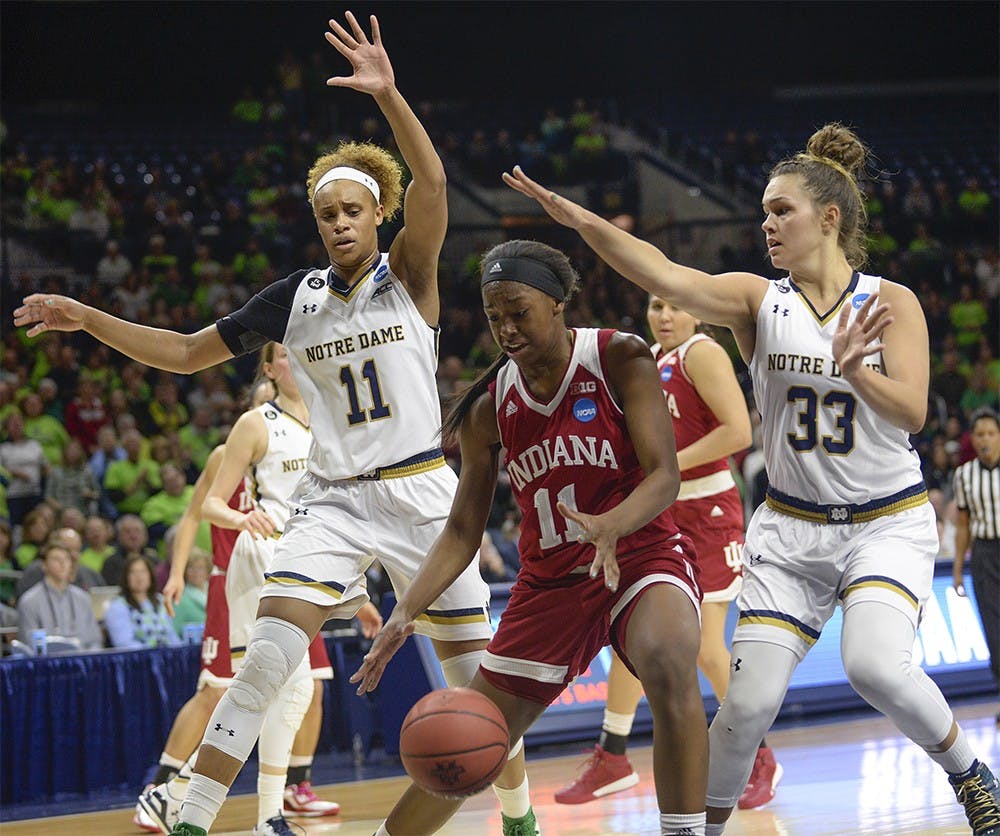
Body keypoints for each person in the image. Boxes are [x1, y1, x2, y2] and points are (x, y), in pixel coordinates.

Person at [15, 14, 538, 836]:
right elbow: (189, 354)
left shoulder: (409, 275)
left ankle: (518, 818)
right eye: (326, 211)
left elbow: (432, 188)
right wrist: (90, 316)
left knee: (476, 679)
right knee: (263, 661)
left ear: (376, 216)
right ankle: (190, 816)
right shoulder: (291, 299)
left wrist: (390, 95)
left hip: (418, 492)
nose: (338, 222)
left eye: (352, 210)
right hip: (331, 500)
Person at [502, 122, 1000, 834]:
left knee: (874, 667)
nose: (765, 223)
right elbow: (661, 273)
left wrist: (856, 369)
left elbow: (914, 410)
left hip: (885, 522)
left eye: (781, 211)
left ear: (829, 218)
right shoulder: (756, 301)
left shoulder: (893, 301)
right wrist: (580, 221)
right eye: (763, 211)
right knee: (742, 709)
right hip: (792, 531)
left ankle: (969, 775)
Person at [351, 239, 707, 836]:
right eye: (495, 318)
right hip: (550, 586)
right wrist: (404, 612)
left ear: (559, 303)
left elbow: (665, 476)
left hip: (638, 559)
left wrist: (613, 525)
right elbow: (464, 529)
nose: (507, 329)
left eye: (519, 311)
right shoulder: (490, 409)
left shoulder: (619, 357)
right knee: (464, 744)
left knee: (670, 663)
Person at [554, 296, 779, 811]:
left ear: (697, 314)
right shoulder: (650, 356)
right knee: (635, 631)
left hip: (708, 511)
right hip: (662, 510)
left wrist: (668, 466)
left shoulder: (702, 352)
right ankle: (612, 755)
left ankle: (758, 754)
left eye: (676, 307)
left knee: (703, 647)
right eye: (656, 305)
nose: (665, 315)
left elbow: (738, 432)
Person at [135, 380, 347, 832]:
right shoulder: (233, 448)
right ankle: (167, 784)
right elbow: (197, 512)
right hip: (236, 575)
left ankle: (277, 796)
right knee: (224, 690)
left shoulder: (302, 447)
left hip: (284, 569)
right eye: (266, 400)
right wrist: (176, 573)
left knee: (297, 689)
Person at [952, 408, 1000, 726]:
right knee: (995, 633)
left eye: (991, 433)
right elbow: (963, 526)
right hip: (984, 556)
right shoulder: (964, 476)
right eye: (979, 434)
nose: (985, 440)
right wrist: (958, 568)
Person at [16, 540, 104, 651]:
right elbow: (29, 645)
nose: (63, 563)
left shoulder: (83, 598)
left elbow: (95, 641)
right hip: (47, 664)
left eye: (66, 559)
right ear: (44, 565)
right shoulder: (29, 601)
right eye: (56, 559)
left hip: (82, 662)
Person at [105, 554, 181, 649]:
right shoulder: (117, 607)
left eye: (143, 571)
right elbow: (124, 644)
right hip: (139, 660)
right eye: (133, 572)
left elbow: (171, 635)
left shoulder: (161, 600)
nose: (139, 577)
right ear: (125, 577)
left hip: (168, 657)